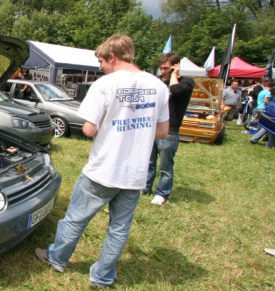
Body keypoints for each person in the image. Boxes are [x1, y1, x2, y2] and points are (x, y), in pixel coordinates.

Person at [35, 34, 170, 288]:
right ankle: (102, 276)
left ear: (112, 57)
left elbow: (88, 129)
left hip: (103, 170)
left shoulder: (105, 85)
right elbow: (162, 132)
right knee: (119, 228)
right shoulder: (159, 86)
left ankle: (56, 258)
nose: (99, 67)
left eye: (100, 61)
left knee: (75, 218)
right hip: (135, 173)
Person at [144, 52, 195, 206]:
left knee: (165, 166)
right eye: (161, 68)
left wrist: (175, 75)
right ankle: (145, 187)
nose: (163, 71)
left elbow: (176, 91)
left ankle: (162, 193)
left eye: (166, 68)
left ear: (176, 66)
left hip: (170, 130)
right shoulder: (159, 82)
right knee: (148, 162)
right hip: (152, 127)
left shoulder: (187, 82)